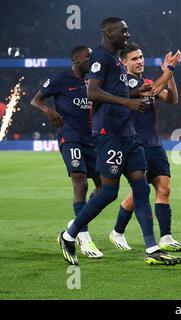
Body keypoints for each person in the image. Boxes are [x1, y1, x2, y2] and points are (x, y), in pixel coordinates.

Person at [57, 17, 181, 267]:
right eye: (122, 31)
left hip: (129, 136)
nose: (127, 34)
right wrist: (128, 102)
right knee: (109, 192)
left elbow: (122, 90)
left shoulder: (115, 59)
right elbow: (92, 92)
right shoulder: (101, 57)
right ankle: (69, 234)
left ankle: (152, 248)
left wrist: (138, 93)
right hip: (108, 134)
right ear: (108, 32)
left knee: (142, 189)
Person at [109, 43, 181, 252]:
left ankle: (166, 237)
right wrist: (170, 70)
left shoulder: (147, 81)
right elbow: (152, 93)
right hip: (136, 145)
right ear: (124, 62)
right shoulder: (121, 82)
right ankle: (117, 231)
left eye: (141, 57)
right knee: (139, 193)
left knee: (164, 188)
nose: (140, 61)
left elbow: (173, 99)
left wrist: (168, 75)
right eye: (134, 58)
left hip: (155, 144)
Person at [31, 46, 103, 258]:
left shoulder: (94, 82)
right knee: (80, 180)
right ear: (75, 59)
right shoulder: (61, 79)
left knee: (105, 187)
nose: (91, 59)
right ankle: (84, 237)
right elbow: (35, 100)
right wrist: (49, 110)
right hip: (70, 136)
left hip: (92, 139)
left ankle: (77, 223)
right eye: (87, 56)